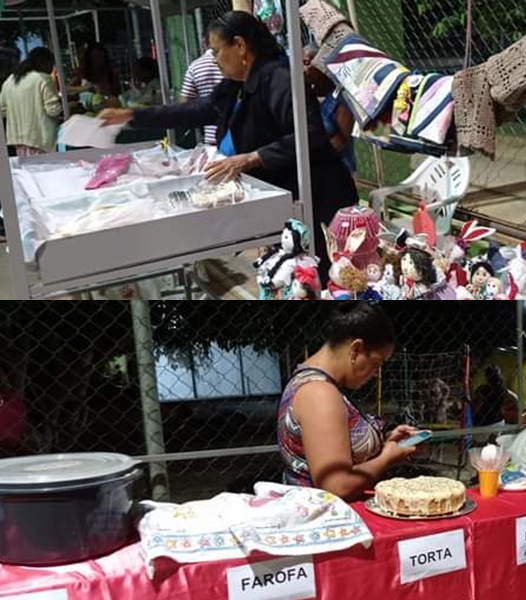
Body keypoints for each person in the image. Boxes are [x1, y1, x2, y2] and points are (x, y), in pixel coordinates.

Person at [98, 11, 358, 274]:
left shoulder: (279, 79)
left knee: (325, 273)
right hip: (285, 197)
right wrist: (132, 116)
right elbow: (195, 111)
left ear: (240, 45)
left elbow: (310, 134)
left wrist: (250, 158)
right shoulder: (235, 85)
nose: (214, 60)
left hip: (318, 197)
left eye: (216, 51)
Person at [277, 302, 416, 500]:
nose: (376, 373)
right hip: (324, 520)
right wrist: (386, 458)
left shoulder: (311, 380)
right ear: (356, 349)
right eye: (376, 363)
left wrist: (386, 444)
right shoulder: (319, 394)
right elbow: (336, 486)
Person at [303, 44, 356, 174]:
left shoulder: (342, 96)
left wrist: (307, 159)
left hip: (338, 169)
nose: (303, 69)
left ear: (322, 63)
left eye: (307, 63)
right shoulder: (307, 93)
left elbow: (341, 142)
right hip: (315, 168)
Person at [0, 47, 62, 156]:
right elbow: (53, 110)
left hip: (18, 140)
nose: (52, 68)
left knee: (28, 172)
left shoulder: (10, 81)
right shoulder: (43, 79)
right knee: (45, 171)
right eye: (51, 64)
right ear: (45, 62)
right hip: (40, 140)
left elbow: (3, 111)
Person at [181, 34, 224, 145]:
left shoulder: (195, 67)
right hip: (238, 137)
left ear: (204, 44)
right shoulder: (236, 63)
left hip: (211, 137)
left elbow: (185, 103)